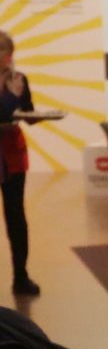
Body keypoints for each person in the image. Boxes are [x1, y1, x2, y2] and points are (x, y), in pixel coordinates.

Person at [0, 30, 40, 295]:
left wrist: (35, 116)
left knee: (16, 216)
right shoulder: (13, 84)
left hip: (11, 155)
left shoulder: (19, 79)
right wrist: (12, 97)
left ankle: (21, 275)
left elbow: (27, 110)